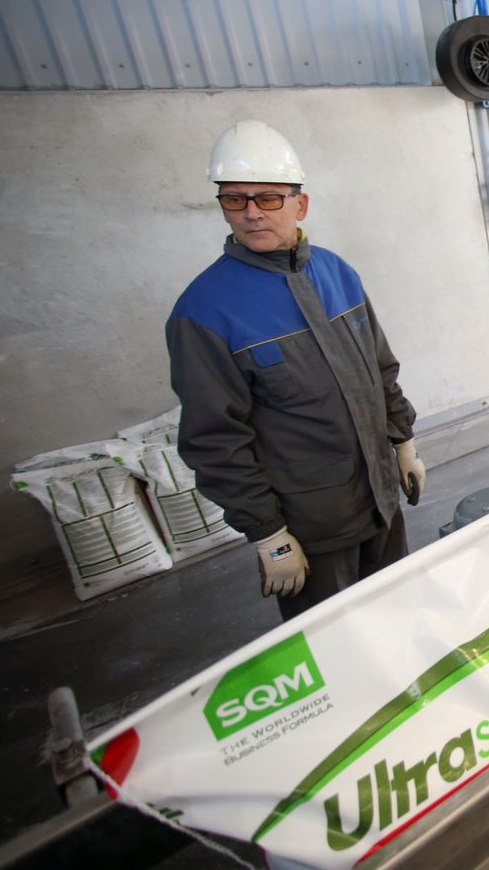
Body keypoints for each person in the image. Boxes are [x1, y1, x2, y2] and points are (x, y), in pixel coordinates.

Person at [167, 119, 426, 619]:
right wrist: (268, 534)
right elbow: (214, 439)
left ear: (299, 204)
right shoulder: (203, 312)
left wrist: (403, 442)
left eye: (267, 198)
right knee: (335, 648)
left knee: (398, 620)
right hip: (311, 529)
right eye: (234, 199)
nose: (250, 213)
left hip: (380, 500)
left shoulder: (336, 273)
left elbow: (380, 369)